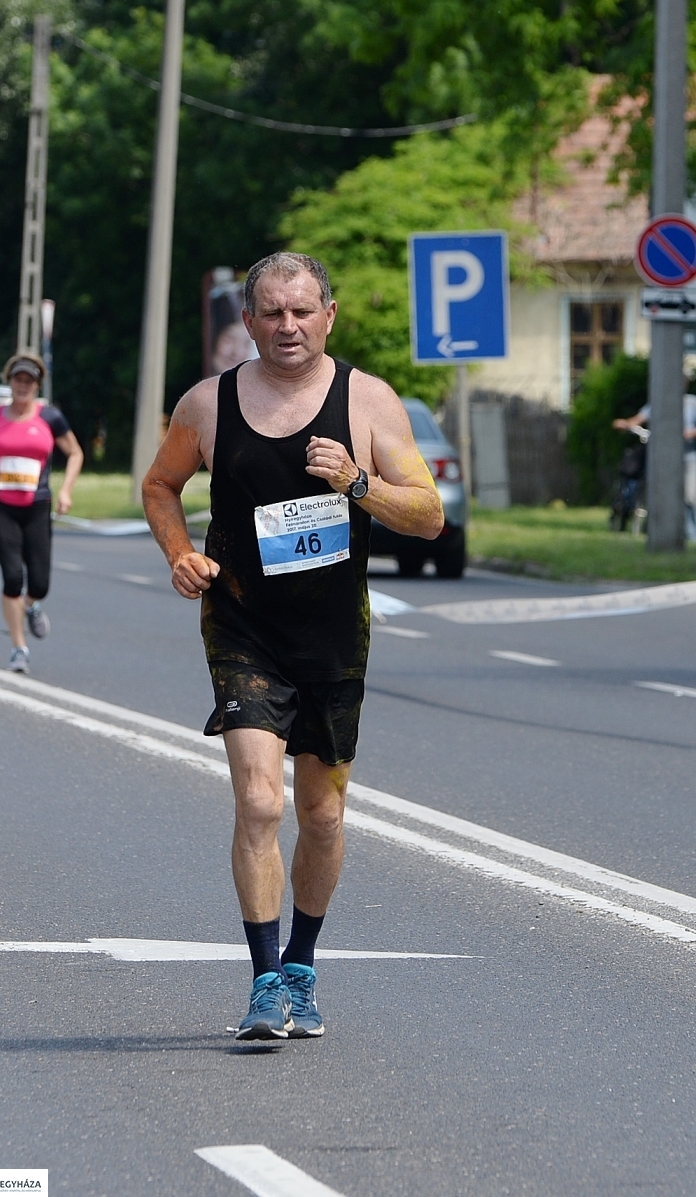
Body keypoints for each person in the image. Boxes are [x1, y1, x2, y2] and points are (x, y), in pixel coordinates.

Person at [143, 251, 443, 1040]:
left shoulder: (368, 402)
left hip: (334, 634)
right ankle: (264, 980)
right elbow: (159, 483)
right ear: (247, 322)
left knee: (322, 812)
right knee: (258, 799)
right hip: (241, 624)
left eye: (302, 310)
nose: (287, 326)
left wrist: (356, 483)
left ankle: (302, 966)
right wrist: (180, 552)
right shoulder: (208, 405)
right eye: (271, 312)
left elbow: (430, 515)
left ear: (329, 315)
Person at [0, 351, 84, 673]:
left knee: (40, 583)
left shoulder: (50, 418)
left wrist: (67, 490)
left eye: (28, 381)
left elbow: (74, 452)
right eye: (18, 379)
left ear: (37, 385)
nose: (22, 385)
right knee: (13, 577)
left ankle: (30, 608)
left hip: (37, 506)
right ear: (10, 382)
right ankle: (19, 648)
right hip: (2, 506)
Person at [613, 384, 696, 542]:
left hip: (687, 456)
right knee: (656, 492)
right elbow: (638, 419)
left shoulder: (693, 402)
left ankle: (693, 536)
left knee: (689, 497)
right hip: (662, 456)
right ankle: (654, 528)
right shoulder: (658, 402)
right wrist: (625, 424)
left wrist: (688, 433)